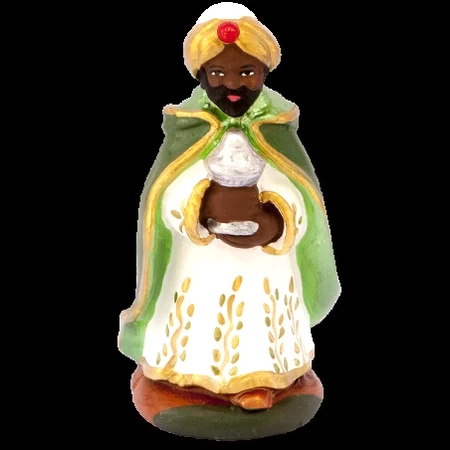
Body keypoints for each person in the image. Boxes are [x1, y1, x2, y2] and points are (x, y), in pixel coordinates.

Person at [118, 2, 341, 439]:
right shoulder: (187, 127)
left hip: (266, 268)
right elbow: (162, 195)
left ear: (264, 72)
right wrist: (199, 204)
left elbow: (302, 193)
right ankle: (183, 384)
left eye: (247, 72)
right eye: (218, 73)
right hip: (197, 266)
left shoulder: (277, 126)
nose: (234, 84)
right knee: (196, 326)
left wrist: (277, 219)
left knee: (261, 327)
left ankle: (266, 383)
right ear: (201, 74)